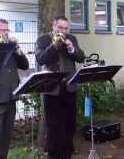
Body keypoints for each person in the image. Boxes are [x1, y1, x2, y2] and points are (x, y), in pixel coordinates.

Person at [35, 15, 85, 159]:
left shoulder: (72, 39)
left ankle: (67, 154)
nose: (63, 31)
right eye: (60, 27)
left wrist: (71, 48)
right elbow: (41, 59)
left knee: (69, 124)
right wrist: (55, 45)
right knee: (53, 126)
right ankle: (54, 155)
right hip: (51, 88)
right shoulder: (43, 39)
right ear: (53, 26)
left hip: (70, 86)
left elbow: (81, 57)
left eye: (65, 28)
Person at [0, 18, 29, 159]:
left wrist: (17, 48)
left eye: (7, 30)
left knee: (6, 137)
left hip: (10, 96)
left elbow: (25, 65)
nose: (6, 33)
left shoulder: (11, 47)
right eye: (3, 30)